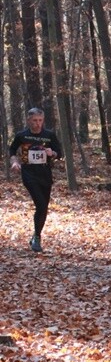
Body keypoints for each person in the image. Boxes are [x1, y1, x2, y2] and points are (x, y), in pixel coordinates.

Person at [9, 107, 63, 253]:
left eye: (40, 120)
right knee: (40, 203)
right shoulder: (22, 135)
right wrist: (14, 162)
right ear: (28, 120)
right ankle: (37, 239)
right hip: (29, 174)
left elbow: (60, 153)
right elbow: (12, 150)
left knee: (43, 208)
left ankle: (36, 235)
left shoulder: (49, 135)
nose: (38, 124)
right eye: (34, 121)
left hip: (45, 174)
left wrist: (53, 153)